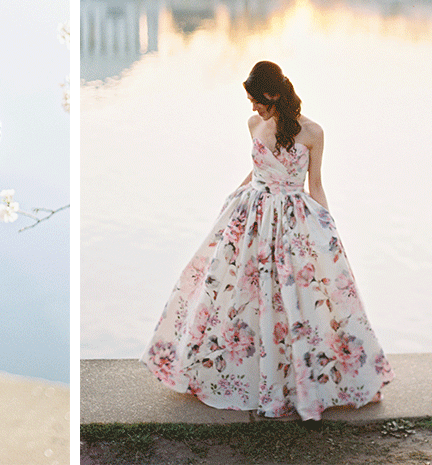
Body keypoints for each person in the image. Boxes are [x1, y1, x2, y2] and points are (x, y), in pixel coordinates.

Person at [141, 60, 393, 421]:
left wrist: (327, 227)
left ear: (273, 94)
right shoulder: (253, 124)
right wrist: (236, 192)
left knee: (293, 299)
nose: (254, 107)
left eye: (258, 100)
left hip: (292, 218)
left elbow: (315, 184)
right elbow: (258, 168)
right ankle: (235, 376)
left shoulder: (312, 132)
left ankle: (301, 382)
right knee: (237, 293)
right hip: (252, 214)